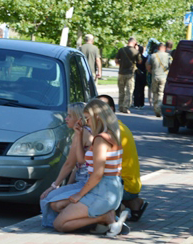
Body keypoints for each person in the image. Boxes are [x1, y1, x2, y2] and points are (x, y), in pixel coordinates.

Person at [53, 99, 129, 236]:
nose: (86, 122)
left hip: (102, 191)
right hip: (109, 189)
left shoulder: (101, 139)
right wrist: (79, 134)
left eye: (87, 118)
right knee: (58, 206)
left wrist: (79, 194)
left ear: (97, 117)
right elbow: (82, 161)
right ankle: (108, 221)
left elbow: (98, 174)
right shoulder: (111, 135)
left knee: (59, 224)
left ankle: (104, 218)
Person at [39, 103, 91, 228]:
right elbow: (77, 166)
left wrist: (54, 186)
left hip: (87, 182)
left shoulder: (82, 132)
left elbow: (69, 164)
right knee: (53, 198)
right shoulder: (85, 131)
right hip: (84, 180)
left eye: (69, 116)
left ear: (79, 118)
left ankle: (83, 220)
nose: (66, 118)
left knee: (47, 199)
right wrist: (67, 186)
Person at [98, 95, 148, 222]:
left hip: (123, 186)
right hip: (132, 184)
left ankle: (118, 207)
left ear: (110, 109)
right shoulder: (118, 126)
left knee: (91, 188)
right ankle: (134, 203)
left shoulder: (112, 132)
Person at [115, 36, 140, 114]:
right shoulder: (135, 52)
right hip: (130, 73)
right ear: (134, 43)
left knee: (121, 91)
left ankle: (120, 106)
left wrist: (121, 64)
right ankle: (126, 107)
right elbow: (140, 62)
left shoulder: (121, 50)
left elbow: (116, 60)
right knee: (129, 91)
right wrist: (137, 50)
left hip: (121, 73)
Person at [149, 42, 172, 118]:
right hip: (164, 77)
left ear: (158, 48)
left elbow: (148, 65)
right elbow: (171, 65)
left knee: (155, 93)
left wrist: (151, 72)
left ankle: (156, 109)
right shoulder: (168, 56)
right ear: (164, 48)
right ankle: (159, 108)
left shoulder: (153, 56)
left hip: (155, 76)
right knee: (161, 93)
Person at [132, 42, 147, 109]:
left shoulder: (136, 58)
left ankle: (136, 103)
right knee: (142, 90)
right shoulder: (144, 58)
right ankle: (142, 103)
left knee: (136, 90)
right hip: (143, 75)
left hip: (137, 74)